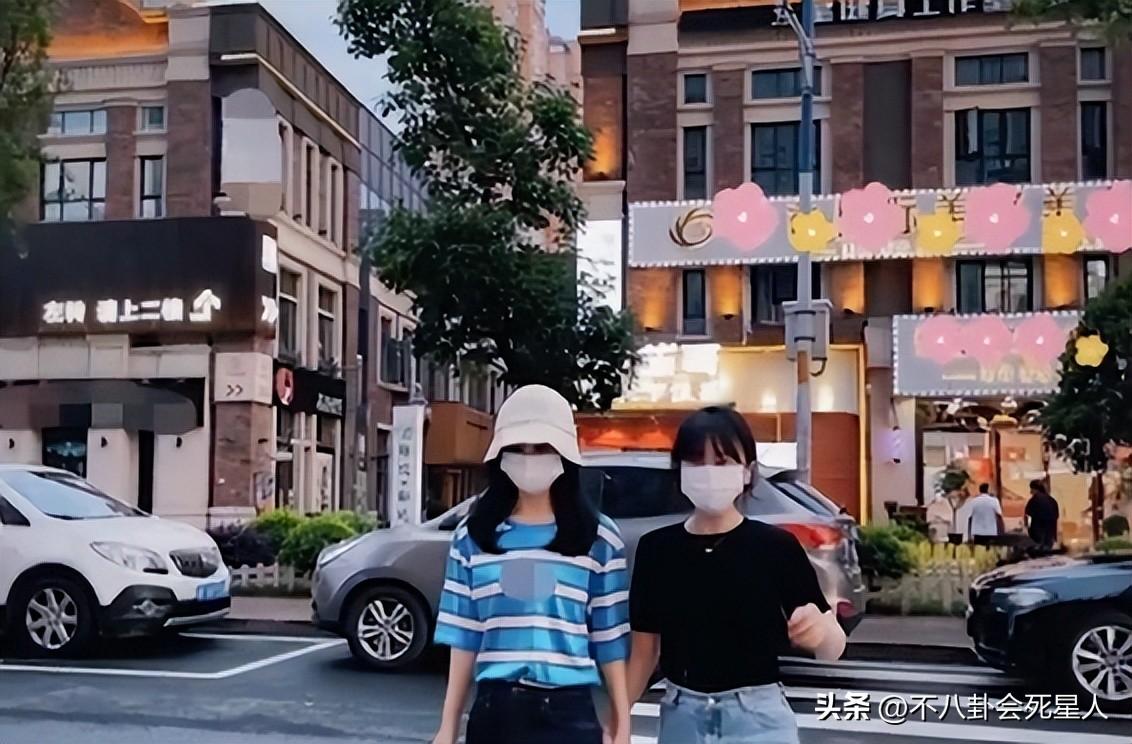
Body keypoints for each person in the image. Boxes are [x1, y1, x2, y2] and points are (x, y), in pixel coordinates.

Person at [626, 406, 846, 744]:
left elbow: (834, 642)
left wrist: (820, 632)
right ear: (679, 470)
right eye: (695, 461)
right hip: (682, 719)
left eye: (722, 461)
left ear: (747, 471)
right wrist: (618, 717)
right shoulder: (657, 549)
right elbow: (644, 651)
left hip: (758, 719)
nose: (708, 472)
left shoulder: (775, 546)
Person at [431, 384, 631, 744]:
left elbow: (609, 636)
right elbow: (464, 637)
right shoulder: (473, 536)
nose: (529, 458)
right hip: (495, 713)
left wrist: (622, 722)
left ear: (564, 451)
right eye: (518, 448)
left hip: (569, 715)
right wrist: (448, 726)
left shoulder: (598, 537)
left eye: (541, 448)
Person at [1024, 479, 1060, 550]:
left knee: (1037, 552)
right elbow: (1056, 517)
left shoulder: (1033, 500)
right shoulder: (1052, 501)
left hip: (1037, 534)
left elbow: (1028, 517)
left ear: (1036, 489)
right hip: (1050, 536)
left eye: (1032, 489)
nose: (1030, 492)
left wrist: (1027, 528)